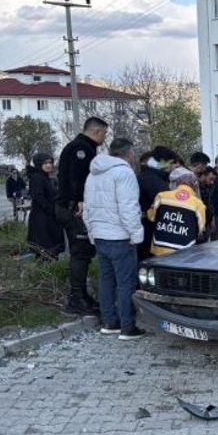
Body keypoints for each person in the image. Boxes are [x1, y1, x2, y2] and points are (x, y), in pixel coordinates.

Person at [82, 138, 145, 340]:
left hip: (100, 235)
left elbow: (87, 208)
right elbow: (128, 207)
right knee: (126, 283)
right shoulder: (124, 173)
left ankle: (109, 322)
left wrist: (92, 232)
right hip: (120, 236)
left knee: (106, 281)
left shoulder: (93, 175)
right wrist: (136, 234)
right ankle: (128, 327)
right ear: (129, 153)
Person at [56, 116, 108, 316]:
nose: (104, 137)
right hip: (73, 208)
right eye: (104, 133)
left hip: (70, 207)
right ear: (96, 131)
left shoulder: (81, 146)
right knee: (80, 253)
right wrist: (80, 201)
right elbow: (78, 178)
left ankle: (81, 295)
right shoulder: (82, 149)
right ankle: (76, 299)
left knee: (83, 253)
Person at [148, 168, 207, 256]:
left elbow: (151, 217)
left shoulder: (161, 196)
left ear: (177, 182)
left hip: (159, 248)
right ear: (194, 186)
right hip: (183, 251)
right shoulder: (198, 204)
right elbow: (201, 230)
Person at [26, 154, 65, 260]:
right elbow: (38, 197)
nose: (49, 165)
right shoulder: (37, 178)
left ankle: (48, 271)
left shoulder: (44, 177)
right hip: (42, 219)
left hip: (48, 217)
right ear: (39, 164)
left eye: (50, 162)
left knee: (49, 248)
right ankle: (44, 272)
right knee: (45, 248)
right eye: (45, 163)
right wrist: (51, 209)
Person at [137, 149, 173, 260]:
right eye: (171, 163)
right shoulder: (156, 181)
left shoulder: (142, 176)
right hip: (151, 228)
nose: (172, 167)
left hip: (142, 225)